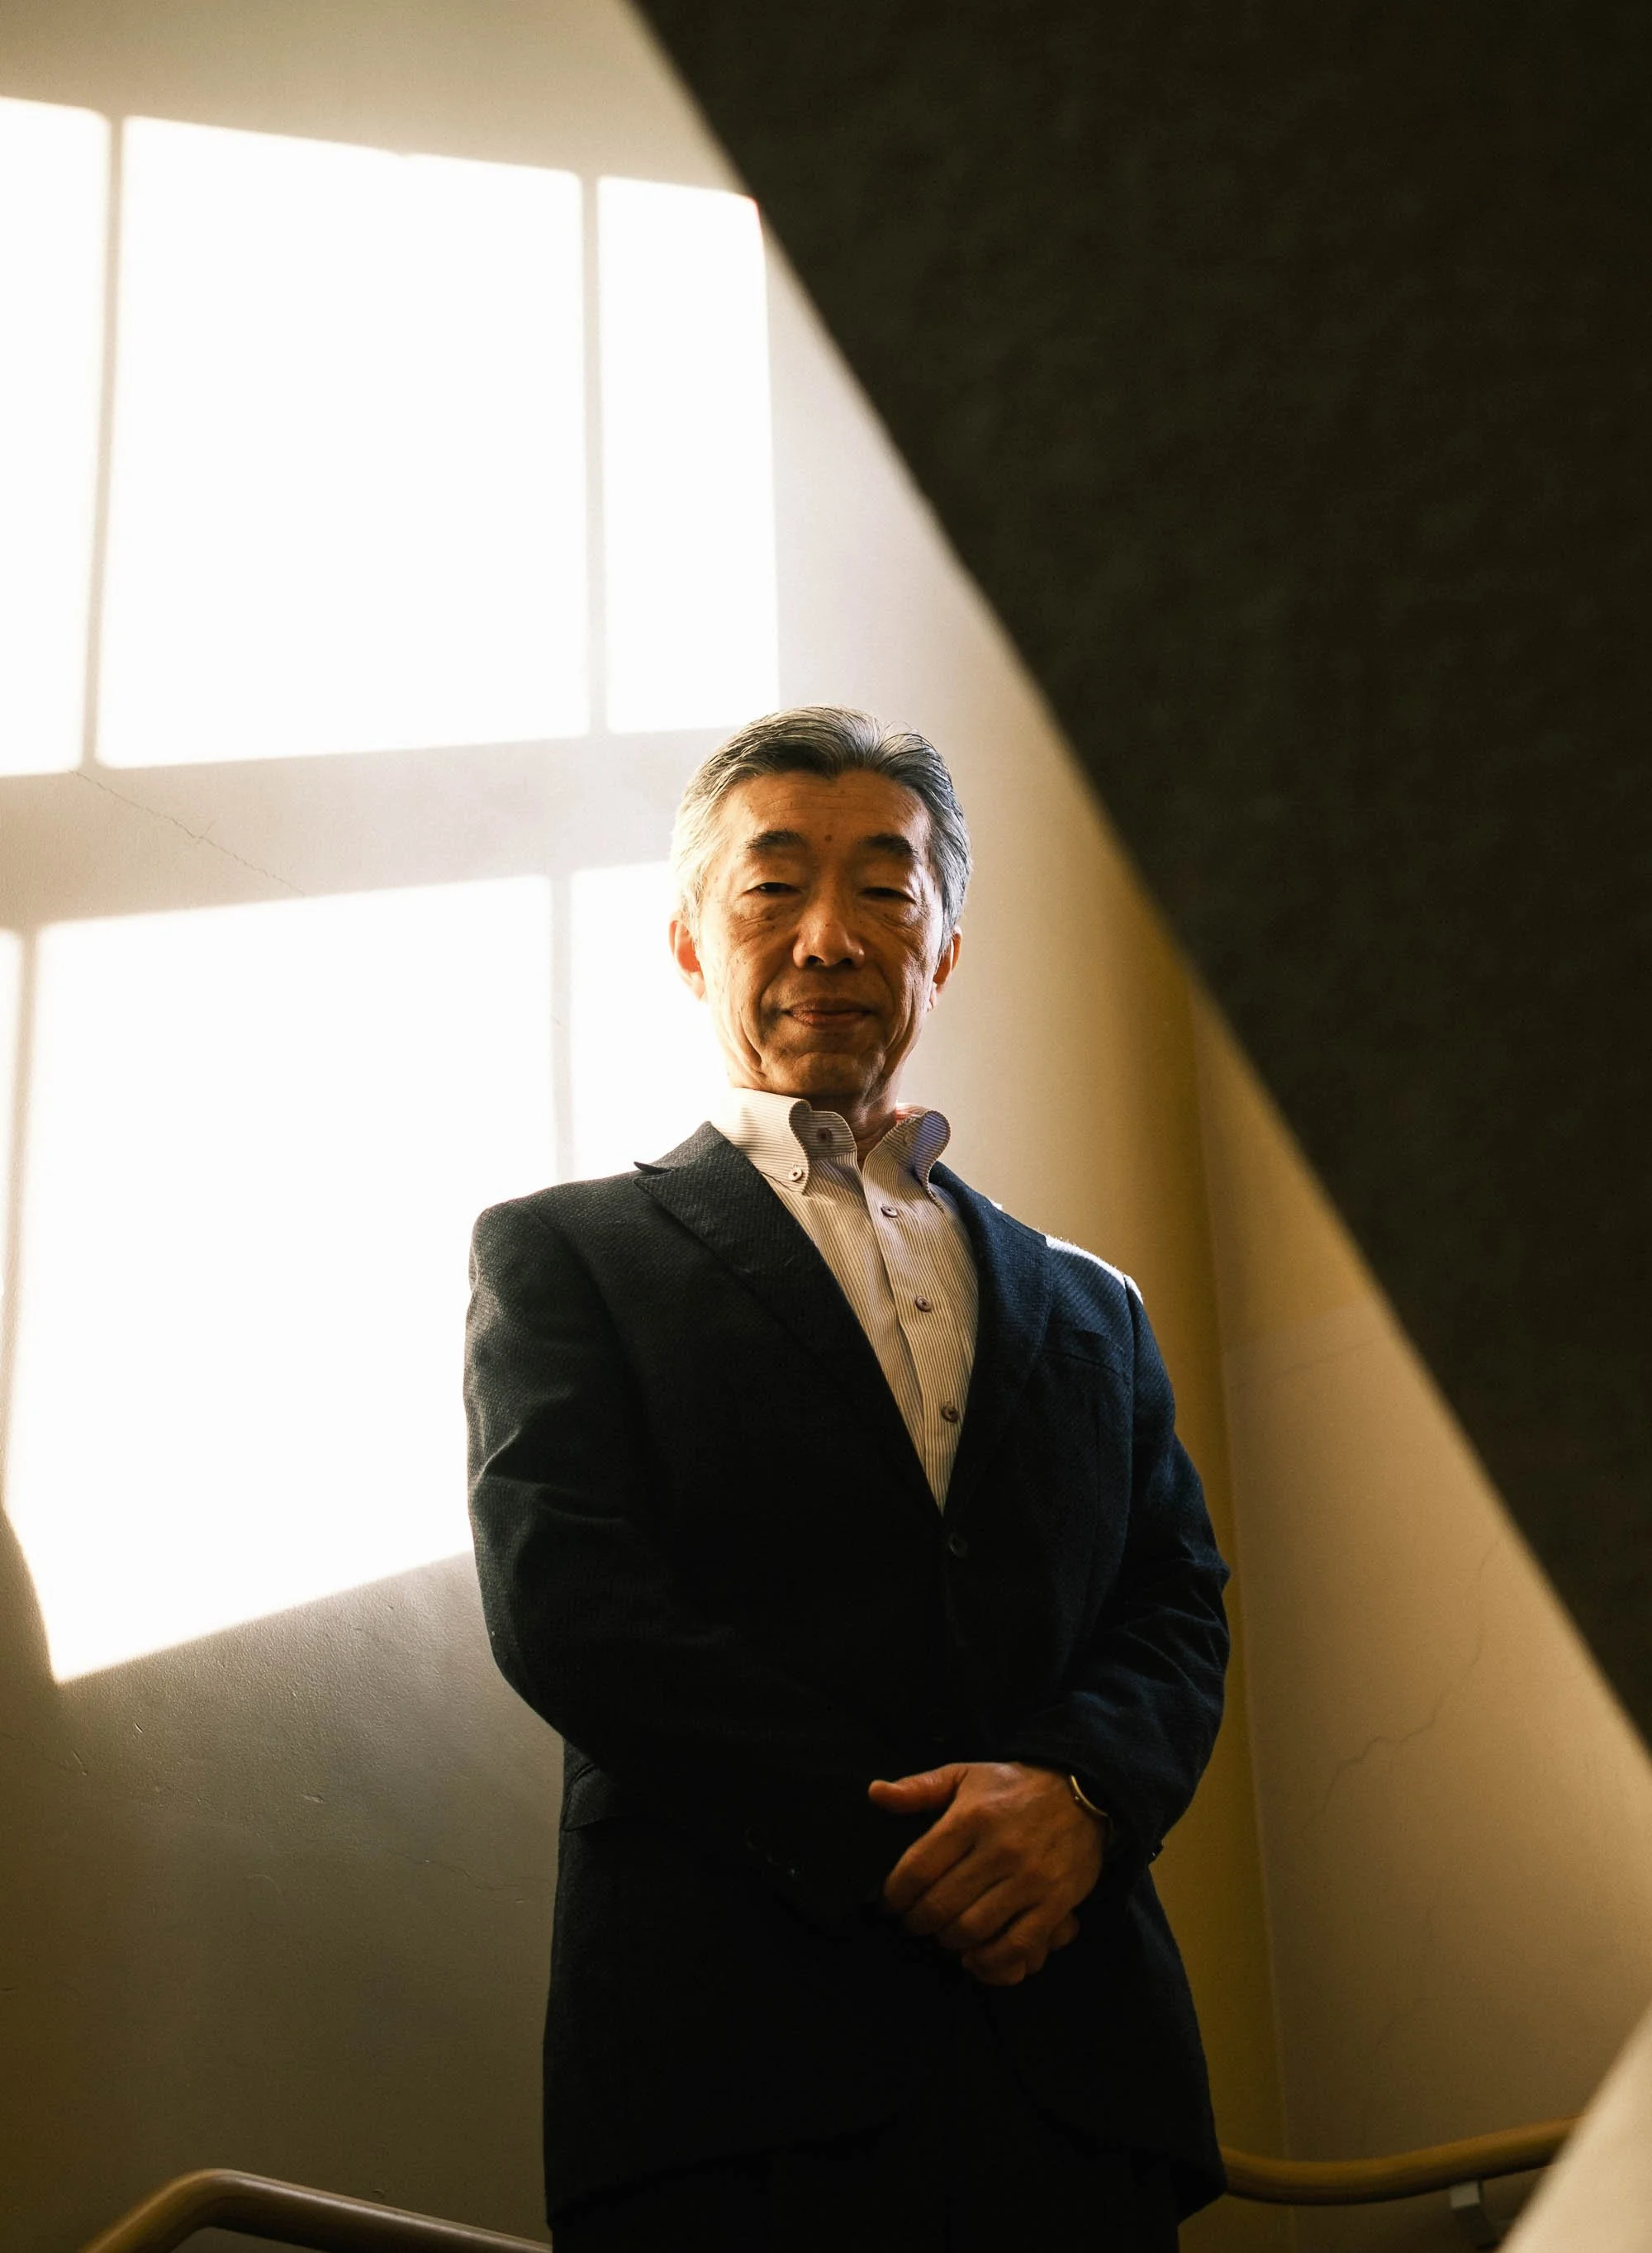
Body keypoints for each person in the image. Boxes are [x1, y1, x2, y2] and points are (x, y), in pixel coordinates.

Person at [465, 707, 1230, 2251]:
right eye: (773, 887)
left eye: (886, 889)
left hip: (1079, 2086)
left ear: (942, 949)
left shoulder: (1098, 1304)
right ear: (690, 942)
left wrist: (1081, 1798)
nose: (829, 937)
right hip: (728, 2084)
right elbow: (573, 1606)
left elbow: (1177, 1607)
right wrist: (913, 1849)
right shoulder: (560, 1257)